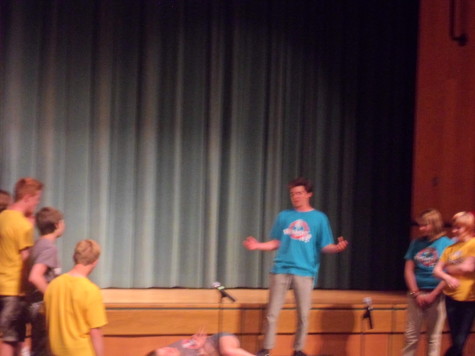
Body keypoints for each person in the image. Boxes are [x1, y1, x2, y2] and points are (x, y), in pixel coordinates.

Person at [243, 177, 348, 356]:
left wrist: (336, 248)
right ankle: (266, 349)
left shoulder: (319, 218)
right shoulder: (284, 216)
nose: (295, 197)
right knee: (272, 313)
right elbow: (276, 242)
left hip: (304, 271)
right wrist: (258, 245)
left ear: (309, 194)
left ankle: (298, 349)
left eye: (299, 193)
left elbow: (324, 245)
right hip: (281, 269)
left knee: (303, 315)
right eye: (292, 194)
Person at [0, 178, 43, 356]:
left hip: (2, 286)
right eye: (36, 199)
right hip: (14, 290)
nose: (36, 204)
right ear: (26, 197)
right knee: (10, 340)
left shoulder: (2, 217)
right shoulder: (23, 225)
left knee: (16, 338)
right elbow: (27, 259)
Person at [402, 209, 453, 356]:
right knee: (411, 335)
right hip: (416, 293)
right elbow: (409, 270)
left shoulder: (446, 244)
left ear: (434, 224)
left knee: (433, 337)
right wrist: (416, 293)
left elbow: (448, 273)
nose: (421, 228)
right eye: (420, 225)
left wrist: (434, 294)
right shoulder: (416, 243)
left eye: (425, 225)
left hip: (437, 295)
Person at [44, 239, 107, 356]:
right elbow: (95, 332)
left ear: (74, 257)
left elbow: (48, 321)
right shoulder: (91, 291)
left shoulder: (53, 285)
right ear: (95, 262)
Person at [433, 211, 475, 356]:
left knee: (460, 340)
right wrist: (448, 277)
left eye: (459, 228)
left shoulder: (473, 244)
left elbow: (468, 267)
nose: (455, 231)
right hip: (450, 297)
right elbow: (436, 270)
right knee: (455, 339)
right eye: (454, 227)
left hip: (469, 299)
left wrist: (449, 268)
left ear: (469, 227)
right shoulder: (450, 248)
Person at [27, 207, 65, 356]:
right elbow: (35, 276)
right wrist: (53, 296)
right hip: (42, 308)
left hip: (34, 306)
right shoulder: (49, 248)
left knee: (38, 349)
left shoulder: (38, 244)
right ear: (57, 225)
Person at [145, 331, 254, 356]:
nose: (169, 349)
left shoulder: (177, 346)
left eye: (164, 348)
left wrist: (200, 341)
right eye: (165, 354)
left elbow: (197, 340)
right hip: (217, 353)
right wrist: (201, 350)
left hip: (219, 339)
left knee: (228, 350)